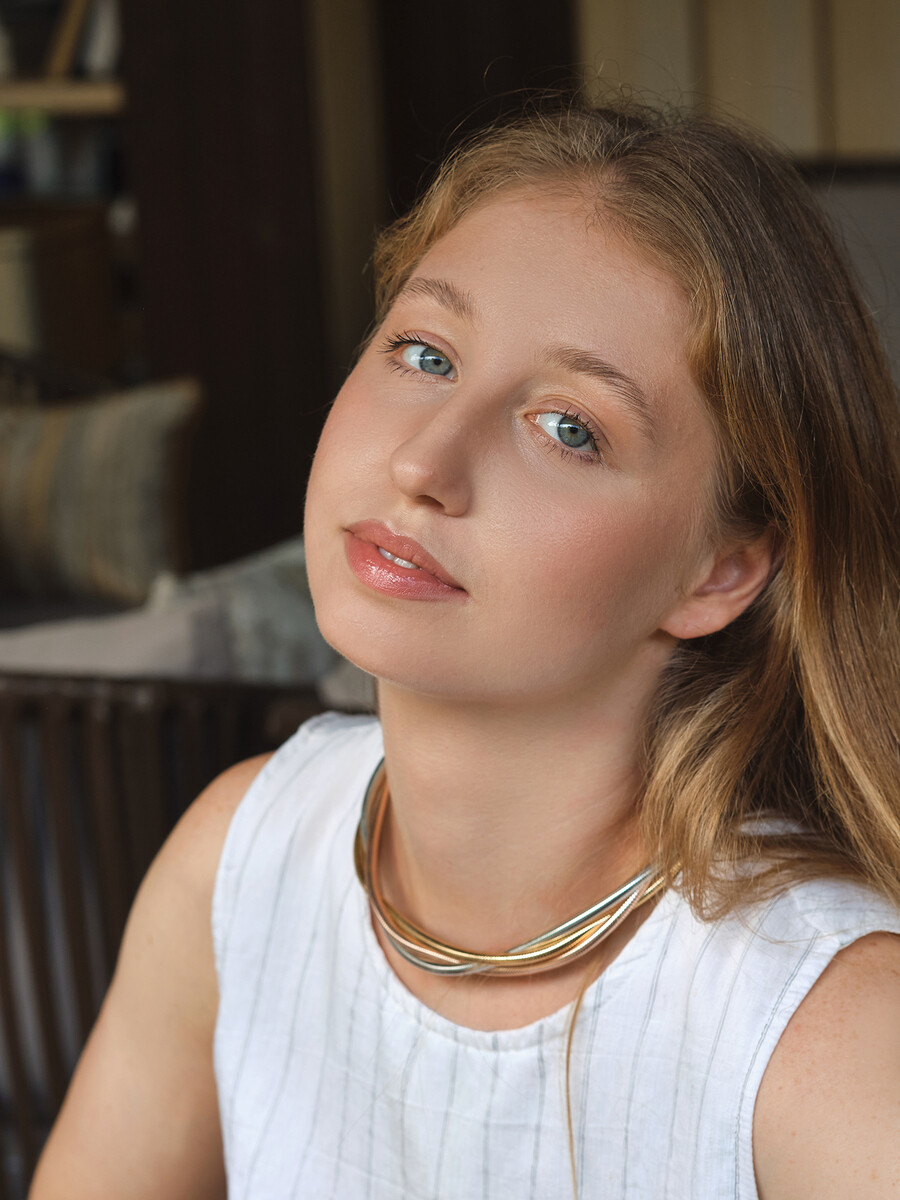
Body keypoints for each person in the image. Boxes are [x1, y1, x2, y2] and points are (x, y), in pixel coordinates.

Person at [31, 97, 900, 1200]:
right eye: (425, 352)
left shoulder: (835, 1034)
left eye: (570, 428)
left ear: (722, 571)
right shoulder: (241, 858)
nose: (425, 462)